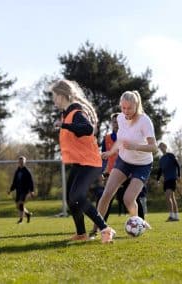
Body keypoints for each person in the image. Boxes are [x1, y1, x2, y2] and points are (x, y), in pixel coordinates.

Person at [50, 79, 115, 243]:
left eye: (55, 96)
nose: (53, 99)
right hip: (80, 163)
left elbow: (87, 129)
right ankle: (81, 234)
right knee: (70, 199)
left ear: (63, 95)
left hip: (90, 163)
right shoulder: (66, 114)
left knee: (77, 196)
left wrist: (65, 126)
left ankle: (105, 229)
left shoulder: (76, 113)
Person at [97, 90, 157, 229]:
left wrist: (135, 146)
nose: (126, 111)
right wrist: (111, 152)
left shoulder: (144, 121)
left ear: (136, 105)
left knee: (128, 199)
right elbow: (120, 140)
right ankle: (97, 229)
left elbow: (154, 147)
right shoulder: (120, 118)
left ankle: (138, 224)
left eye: (129, 108)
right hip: (123, 161)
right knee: (106, 194)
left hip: (142, 165)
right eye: (123, 108)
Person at [157, 142, 181, 221]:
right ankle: (176, 216)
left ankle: (171, 216)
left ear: (165, 147)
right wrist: (157, 179)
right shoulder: (161, 159)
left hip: (172, 179)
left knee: (168, 197)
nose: (161, 148)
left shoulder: (171, 155)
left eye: (162, 146)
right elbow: (160, 170)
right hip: (166, 180)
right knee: (172, 198)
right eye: (160, 147)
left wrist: (179, 175)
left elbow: (177, 165)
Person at [8, 156, 35, 224]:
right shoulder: (17, 171)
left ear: (24, 162)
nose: (21, 163)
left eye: (22, 162)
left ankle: (21, 220)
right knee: (18, 205)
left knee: (20, 203)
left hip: (25, 191)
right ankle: (28, 214)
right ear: (18, 162)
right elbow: (14, 182)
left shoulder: (27, 171)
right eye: (20, 162)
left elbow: (31, 181)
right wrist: (11, 190)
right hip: (18, 190)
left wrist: (31, 191)